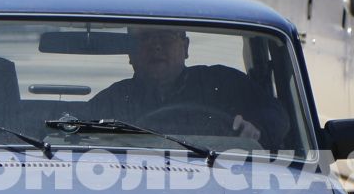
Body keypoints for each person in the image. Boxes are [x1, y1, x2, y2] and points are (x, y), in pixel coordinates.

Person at [86, 26, 284, 144]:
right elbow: (74, 134)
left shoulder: (223, 84)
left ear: (186, 47)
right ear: (130, 53)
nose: (156, 45)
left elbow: (280, 116)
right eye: (145, 37)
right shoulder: (111, 102)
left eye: (166, 36)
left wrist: (257, 129)